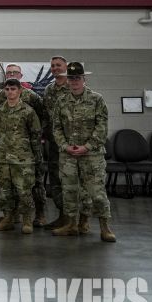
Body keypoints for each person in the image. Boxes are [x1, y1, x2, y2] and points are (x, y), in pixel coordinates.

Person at [52, 62, 116, 242]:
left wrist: (86, 147)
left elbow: (101, 127)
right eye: (71, 78)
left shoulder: (97, 99)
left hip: (92, 155)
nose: (74, 81)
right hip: (68, 155)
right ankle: (71, 225)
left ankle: (105, 227)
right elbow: (56, 127)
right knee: (69, 191)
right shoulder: (61, 101)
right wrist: (64, 146)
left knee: (96, 192)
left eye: (77, 78)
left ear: (84, 79)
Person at [0, 63, 49, 226]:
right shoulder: (0, 98)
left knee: (34, 185)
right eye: (9, 72)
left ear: (21, 75)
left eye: (15, 72)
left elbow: (42, 118)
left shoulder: (32, 97)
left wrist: (36, 143)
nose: (12, 74)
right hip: (7, 153)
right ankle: (11, 216)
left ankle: (39, 215)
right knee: (7, 187)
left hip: (27, 152)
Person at [41, 55, 71, 229]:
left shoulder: (73, 87)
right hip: (54, 145)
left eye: (58, 65)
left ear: (65, 67)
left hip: (71, 145)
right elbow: (45, 116)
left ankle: (76, 220)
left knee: (72, 182)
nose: (55, 68)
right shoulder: (49, 90)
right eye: (52, 66)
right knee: (56, 181)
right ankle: (62, 216)